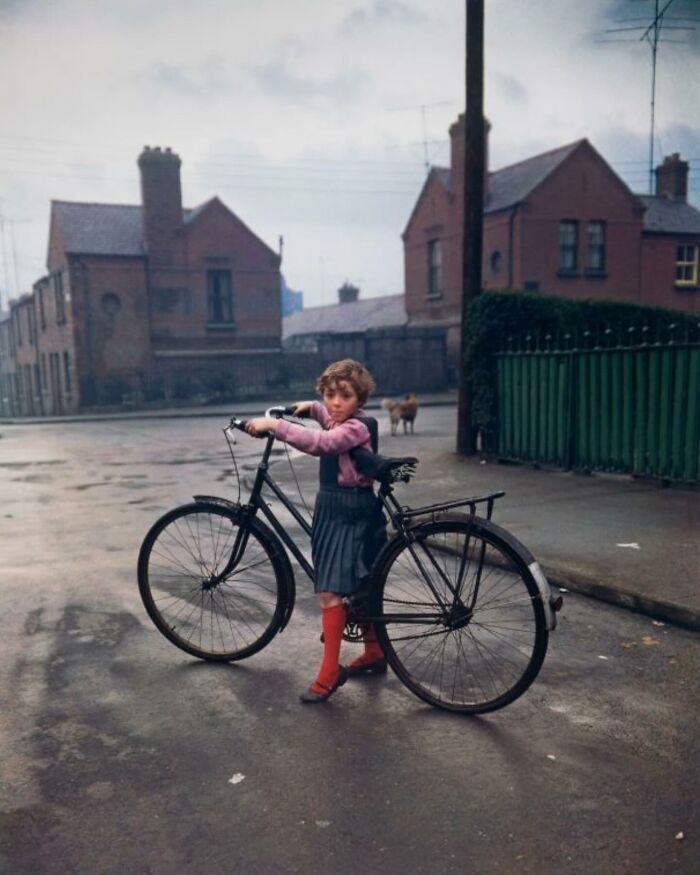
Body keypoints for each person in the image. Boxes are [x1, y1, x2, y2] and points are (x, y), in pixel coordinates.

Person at [245, 359, 387, 704]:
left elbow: (321, 444)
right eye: (329, 394)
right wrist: (304, 408)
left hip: (346, 511)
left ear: (360, 399)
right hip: (338, 507)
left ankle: (329, 672)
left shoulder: (356, 428)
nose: (335, 402)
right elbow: (321, 413)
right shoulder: (337, 415)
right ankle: (374, 651)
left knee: (330, 591)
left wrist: (275, 425)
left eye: (345, 396)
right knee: (359, 583)